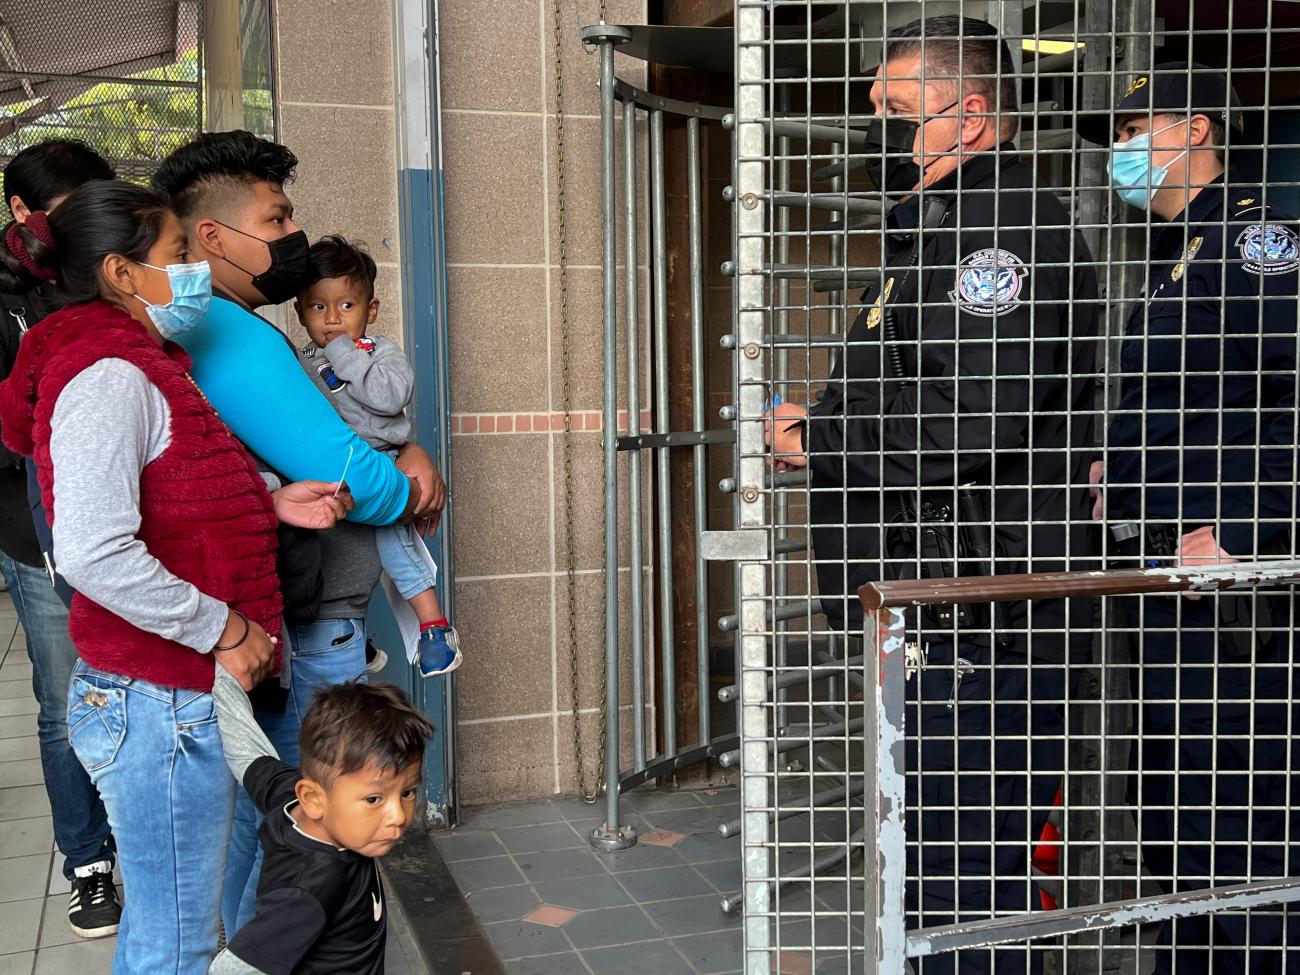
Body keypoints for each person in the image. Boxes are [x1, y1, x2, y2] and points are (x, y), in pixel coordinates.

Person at [767, 17, 1099, 974]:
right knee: (932, 873)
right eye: (877, 108)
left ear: (972, 116)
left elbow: (967, 419)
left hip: (981, 617)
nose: (880, 129)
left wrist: (821, 436)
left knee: (967, 880)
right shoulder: (941, 233)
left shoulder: (1003, 237)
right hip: (935, 607)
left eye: (900, 112)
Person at [0, 178, 352, 974]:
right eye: (179, 252)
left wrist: (271, 502)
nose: (197, 266)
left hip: (175, 692)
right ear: (124, 274)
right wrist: (224, 628)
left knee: (183, 928)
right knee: (177, 940)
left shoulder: (143, 359)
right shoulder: (106, 373)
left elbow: (173, 484)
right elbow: (94, 550)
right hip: (156, 697)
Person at [149, 130, 445, 934]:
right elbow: (344, 465)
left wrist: (405, 448)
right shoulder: (227, 329)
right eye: (276, 219)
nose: (292, 238)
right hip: (305, 624)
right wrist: (405, 483)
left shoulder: (224, 328)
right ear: (213, 236)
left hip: (293, 617)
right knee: (291, 832)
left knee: (265, 823)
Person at [1081, 64, 1300, 973]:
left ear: (1198, 129)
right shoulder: (1185, 249)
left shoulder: (1256, 239)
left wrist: (1247, 531)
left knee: (1238, 809)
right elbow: (1203, 402)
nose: (1120, 152)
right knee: (1177, 801)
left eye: (1136, 129)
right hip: (1170, 573)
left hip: (1230, 584)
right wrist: (1118, 469)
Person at [0, 139, 120, 938]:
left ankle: (137, 834)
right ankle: (87, 861)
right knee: (63, 702)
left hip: (124, 535)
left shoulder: (106, 278)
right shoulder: (7, 300)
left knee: (128, 692)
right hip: (34, 538)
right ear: (23, 211)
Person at [294, 236, 461, 678]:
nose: (331, 319)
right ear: (299, 312)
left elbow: (387, 399)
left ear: (371, 310)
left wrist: (344, 353)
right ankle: (355, 640)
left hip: (381, 464)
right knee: (324, 552)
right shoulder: (298, 362)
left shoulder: (380, 353)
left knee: (393, 547)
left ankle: (434, 628)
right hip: (332, 473)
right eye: (317, 307)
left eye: (346, 306)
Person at [207, 669, 432, 975]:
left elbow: (249, 755)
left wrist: (223, 675)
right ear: (313, 799)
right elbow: (231, 970)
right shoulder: (310, 888)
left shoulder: (291, 798)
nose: (398, 816)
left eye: (407, 792)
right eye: (374, 799)